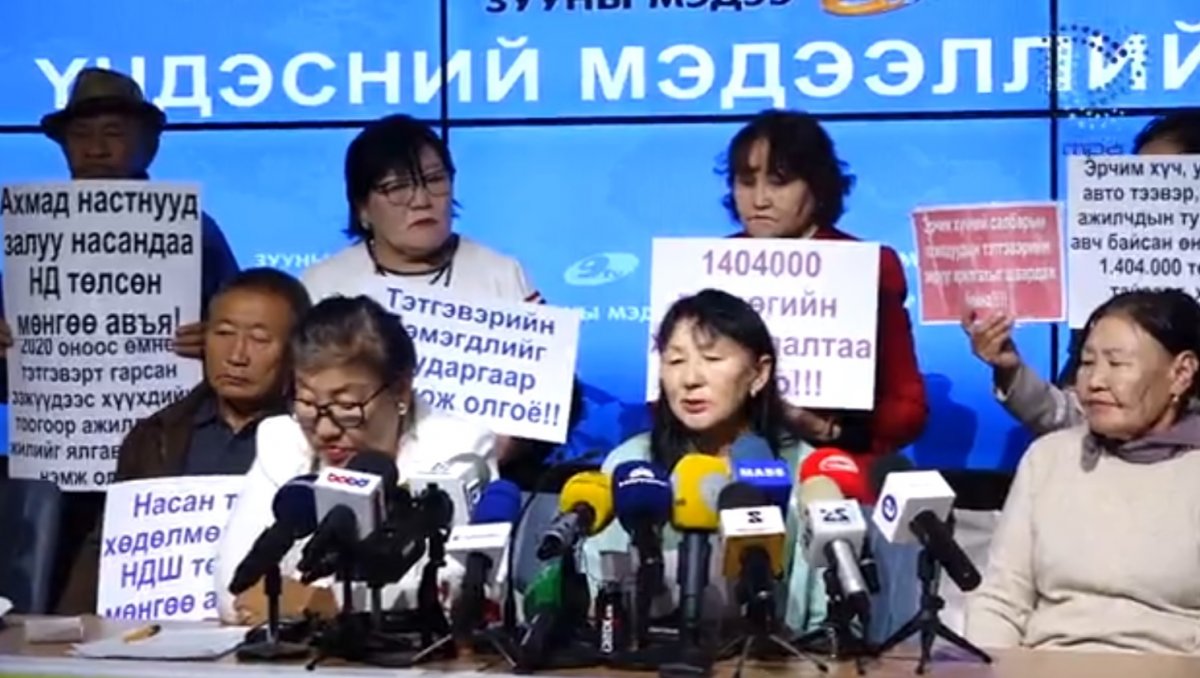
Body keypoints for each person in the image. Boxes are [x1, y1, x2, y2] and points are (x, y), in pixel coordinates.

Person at [214, 295, 496, 625]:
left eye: (347, 406)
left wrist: (322, 602)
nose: (325, 430)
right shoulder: (282, 440)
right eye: (307, 402)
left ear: (400, 390)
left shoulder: (459, 449)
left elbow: (460, 591)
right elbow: (236, 593)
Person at [54, 268, 312, 614]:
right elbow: (106, 549)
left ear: (297, 351)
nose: (237, 355)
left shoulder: (311, 442)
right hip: (152, 632)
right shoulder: (154, 436)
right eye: (223, 333)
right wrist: (66, 630)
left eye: (260, 339)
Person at [965, 289, 1200, 654]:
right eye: (1087, 362)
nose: (1094, 381)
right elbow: (1000, 600)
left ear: (1181, 373)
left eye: (1117, 364)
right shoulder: (1049, 459)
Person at [584, 289, 825, 638]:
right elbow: (601, 594)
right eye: (675, 361)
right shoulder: (632, 462)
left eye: (712, 358)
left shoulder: (806, 468)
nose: (690, 379)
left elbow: (822, 622)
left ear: (759, 373)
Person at [963, 110, 1200, 436]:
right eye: (1136, 176)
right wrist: (1011, 370)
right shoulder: (1110, 301)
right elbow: (1073, 419)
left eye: (1161, 180)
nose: (1142, 191)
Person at [721, 110, 926, 458]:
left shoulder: (869, 267)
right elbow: (664, 397)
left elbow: (907, 408)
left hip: (834, 461)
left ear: (818, 188)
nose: (759, 200)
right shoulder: (706, 267)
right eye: (746, 181)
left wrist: (828, 430)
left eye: (779, 182)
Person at [300, 114, 540, 304]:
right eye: (398, 187)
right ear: (362, 208)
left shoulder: (503, 276)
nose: (422, 201)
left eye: (435, 180)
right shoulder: (324, 286)